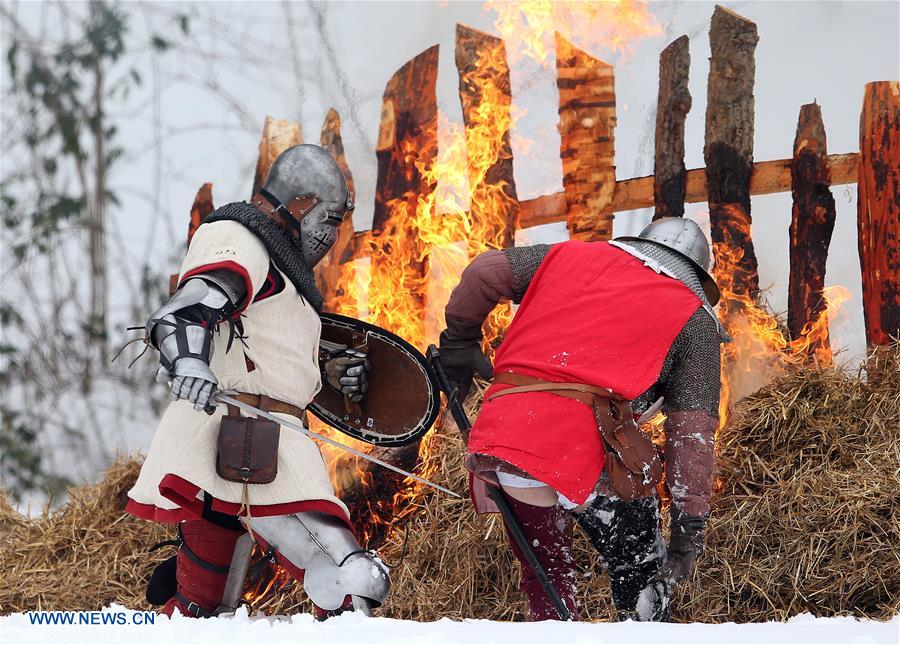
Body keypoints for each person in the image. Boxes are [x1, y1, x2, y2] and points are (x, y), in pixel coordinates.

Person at [127, 144, 388, 619]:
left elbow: (267, 355)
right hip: (239, 434)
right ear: (303, 205)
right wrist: (188, 362)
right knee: (353, 583)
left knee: (200, 613)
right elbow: (186, 310)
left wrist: (329, 376)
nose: (331, 236)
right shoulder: (240, 236)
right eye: (330, 219)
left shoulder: (280, 265)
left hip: (261, 442)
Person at [438, 217, 727, 621]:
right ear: (694, 274)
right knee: (642, 576)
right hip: (585, 447)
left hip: (509, 434)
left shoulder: (568, 255)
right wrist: (687, 533)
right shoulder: (695, 321)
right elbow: (690, 437)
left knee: (548, 576)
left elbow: (484, 272)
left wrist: (458, 344)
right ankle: (643, 617)